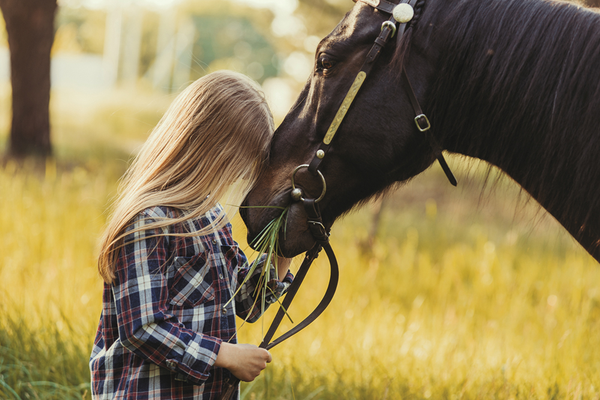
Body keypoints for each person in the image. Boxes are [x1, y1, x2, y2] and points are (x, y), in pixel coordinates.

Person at [90, 70, 293, 400]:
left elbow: (245, 301)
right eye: (240, 161)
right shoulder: (148, 222)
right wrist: (224, 355)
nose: (243, 174)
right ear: (211, 151)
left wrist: (286, 244)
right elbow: (143, 328)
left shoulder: (211, 218)